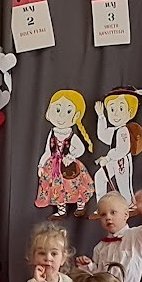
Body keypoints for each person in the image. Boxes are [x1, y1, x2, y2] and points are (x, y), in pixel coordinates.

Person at [36, 89, 97, 219]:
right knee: (57, 188)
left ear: (76, 115)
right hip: (53, 167)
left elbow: (80, 149)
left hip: (67, 165)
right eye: (58, 110)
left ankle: (80, 206)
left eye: (68, 111)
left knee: (76, 186)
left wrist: (70, 156)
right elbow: (47, 151)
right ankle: (61, 210)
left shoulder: (71, 135)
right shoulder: (52, 133)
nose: (61, 116)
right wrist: (41, 165)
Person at [91, 86, 142, 213]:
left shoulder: (124, 131)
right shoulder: (115, 130)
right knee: (100, 177)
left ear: (130, 112)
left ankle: (129, 205)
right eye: (112, 109)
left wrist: (107, 158)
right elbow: (102, 135)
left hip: (122, 162)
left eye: (121, 108)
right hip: (113, 161)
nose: (116, 113)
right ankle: (102, 205)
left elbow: (122, 150)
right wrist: (101, 116)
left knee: (123, 184)